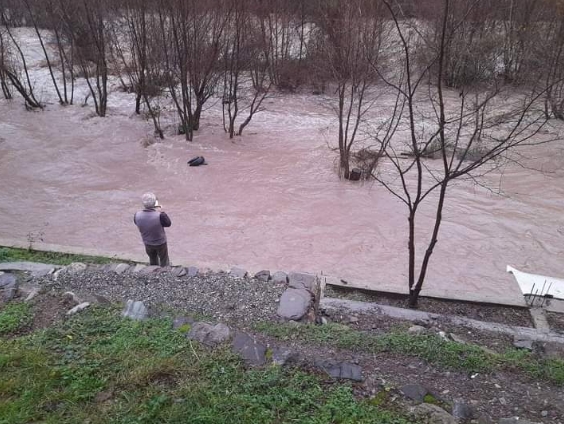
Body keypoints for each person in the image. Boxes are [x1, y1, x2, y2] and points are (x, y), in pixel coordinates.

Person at [134, 192, 172, 266]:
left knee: (152, 258)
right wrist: (162, 212)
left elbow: (137, 223)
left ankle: (153, 269)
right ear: (155, 204)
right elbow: (168, 224)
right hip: (160, 242)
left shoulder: (137, 215)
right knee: (164, 258)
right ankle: (165, 271)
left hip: (147, 242)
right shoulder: (160, 216)